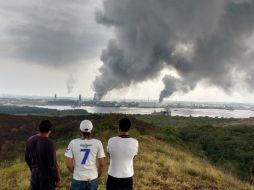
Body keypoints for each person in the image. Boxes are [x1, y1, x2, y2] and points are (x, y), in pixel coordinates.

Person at [65, 120, 105, 190]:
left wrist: (75, 172)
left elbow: (68, 165)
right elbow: (102, 164)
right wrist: (97, 176)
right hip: (92, 178)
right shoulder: (98, 143)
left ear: (80, 130)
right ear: (91, 130)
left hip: (78, 179)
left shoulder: (73, 143)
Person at [25, 120, 60, 190]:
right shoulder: (49, 143)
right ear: (50, 131)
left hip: (34, 176)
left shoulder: (30, 140)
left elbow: (26, 158)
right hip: (47, 178)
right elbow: (53, 164)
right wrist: (57, 179)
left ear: (39, 129)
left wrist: (32, 169)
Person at [106, 118, 139, 190]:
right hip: (127, 177)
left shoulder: (111, 140)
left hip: (112, 176)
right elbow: (133, 157)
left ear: (119, 128)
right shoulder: (135, 142)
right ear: (129, 128)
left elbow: (110, 156)